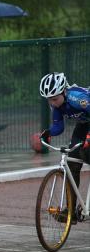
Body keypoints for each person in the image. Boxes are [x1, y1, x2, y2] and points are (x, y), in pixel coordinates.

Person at [39, 72, 90, 224]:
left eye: (55, 99)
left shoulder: (76, 98)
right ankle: (71, 212)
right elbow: (58, 126)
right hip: (83, 125)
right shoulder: (56, 104)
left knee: (86, 153)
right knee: (73, 162)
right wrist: (48, 132)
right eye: (49, 100)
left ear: (63, 92)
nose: (53, 103)